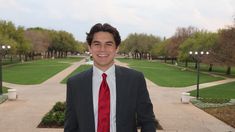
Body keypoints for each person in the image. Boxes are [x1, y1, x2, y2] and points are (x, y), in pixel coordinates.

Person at [64, 23, 157, 132]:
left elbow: (148, 122)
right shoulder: (75, 84)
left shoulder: (135, 80)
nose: (102, 49)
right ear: (90, 47)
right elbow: (71, 127)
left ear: (117, 48)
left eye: (108, 44)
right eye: (97, 44)